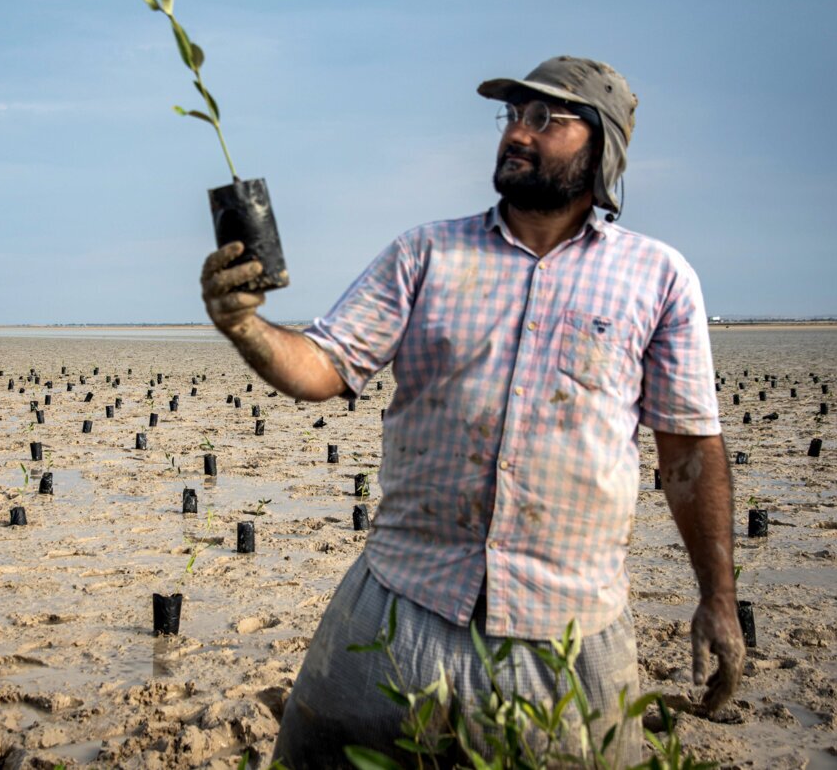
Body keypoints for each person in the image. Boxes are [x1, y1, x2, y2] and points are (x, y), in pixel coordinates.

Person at [200, 56, 743, 767]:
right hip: (398, 611)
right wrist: (244, 325)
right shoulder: (426, 254)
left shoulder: (659, 278)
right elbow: (324, 364)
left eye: (544, 118)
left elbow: (689, 453)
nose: (518, 132)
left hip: (569, 638)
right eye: (513, 115)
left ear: (602, 147)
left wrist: (718, 598)